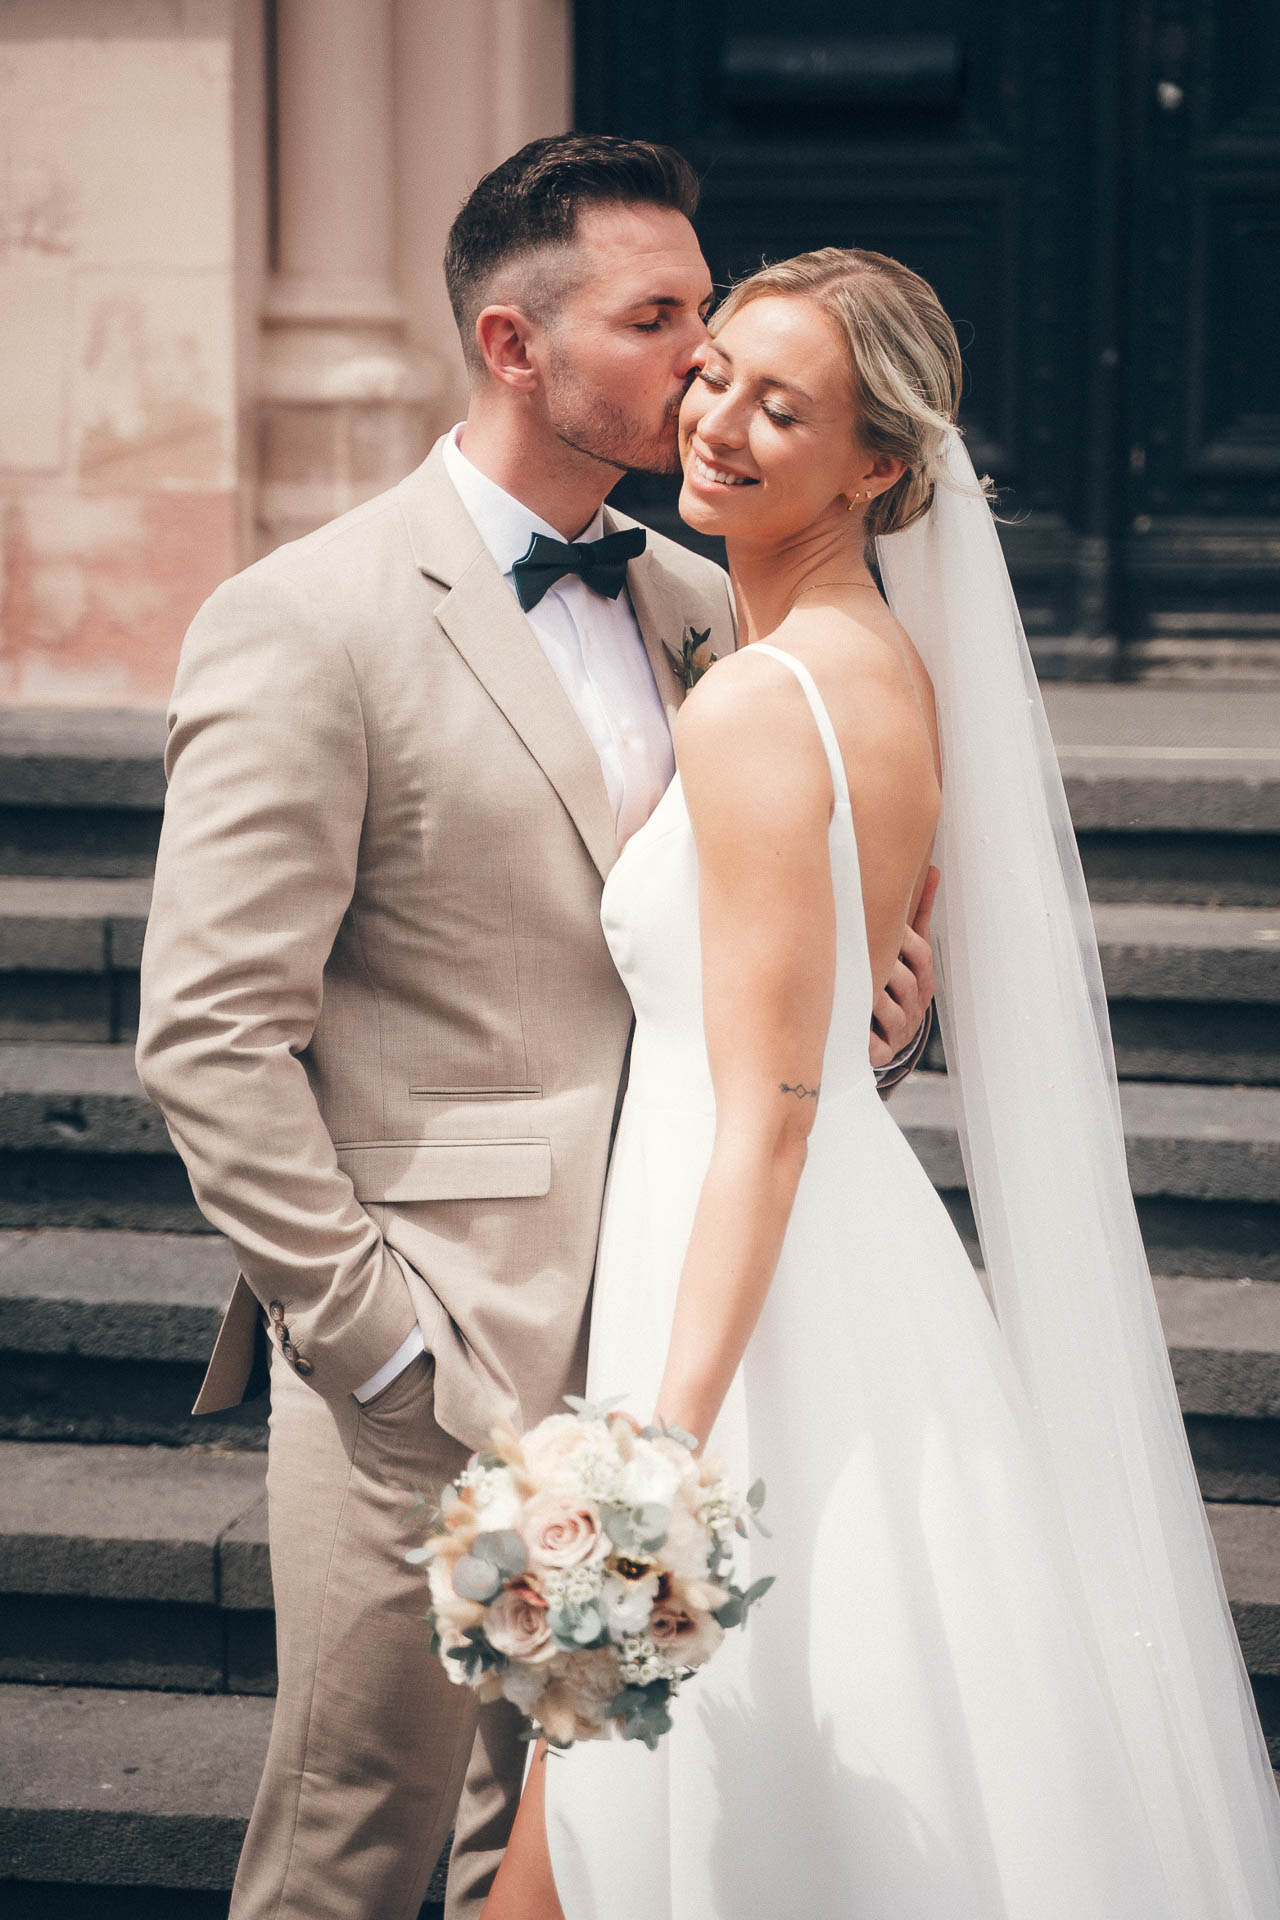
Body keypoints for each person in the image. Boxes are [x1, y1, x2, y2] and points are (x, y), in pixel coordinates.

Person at [134, 142, 935, 1920]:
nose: (703, 360)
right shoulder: (306, 618)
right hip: (431, 1349)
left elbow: (744, 975)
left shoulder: (708, 606)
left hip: (667, 1337)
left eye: (706, 312)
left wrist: (878, 1022)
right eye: (657, 320)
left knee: (571, 1864)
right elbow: (210, 1037)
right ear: (515, 344)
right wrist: (379, 1351)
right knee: (351, 1849)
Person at [484, 251, 1280, 1919]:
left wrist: (653, 1457)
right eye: (716, 376)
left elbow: (772, 1114)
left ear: (877, 470)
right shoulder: (884, 666)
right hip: (824, 1246)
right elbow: (851, 1004)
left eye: (784, 409)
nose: (718, 424)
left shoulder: (762, 702)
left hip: (747, 1288)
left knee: (684, 1796)